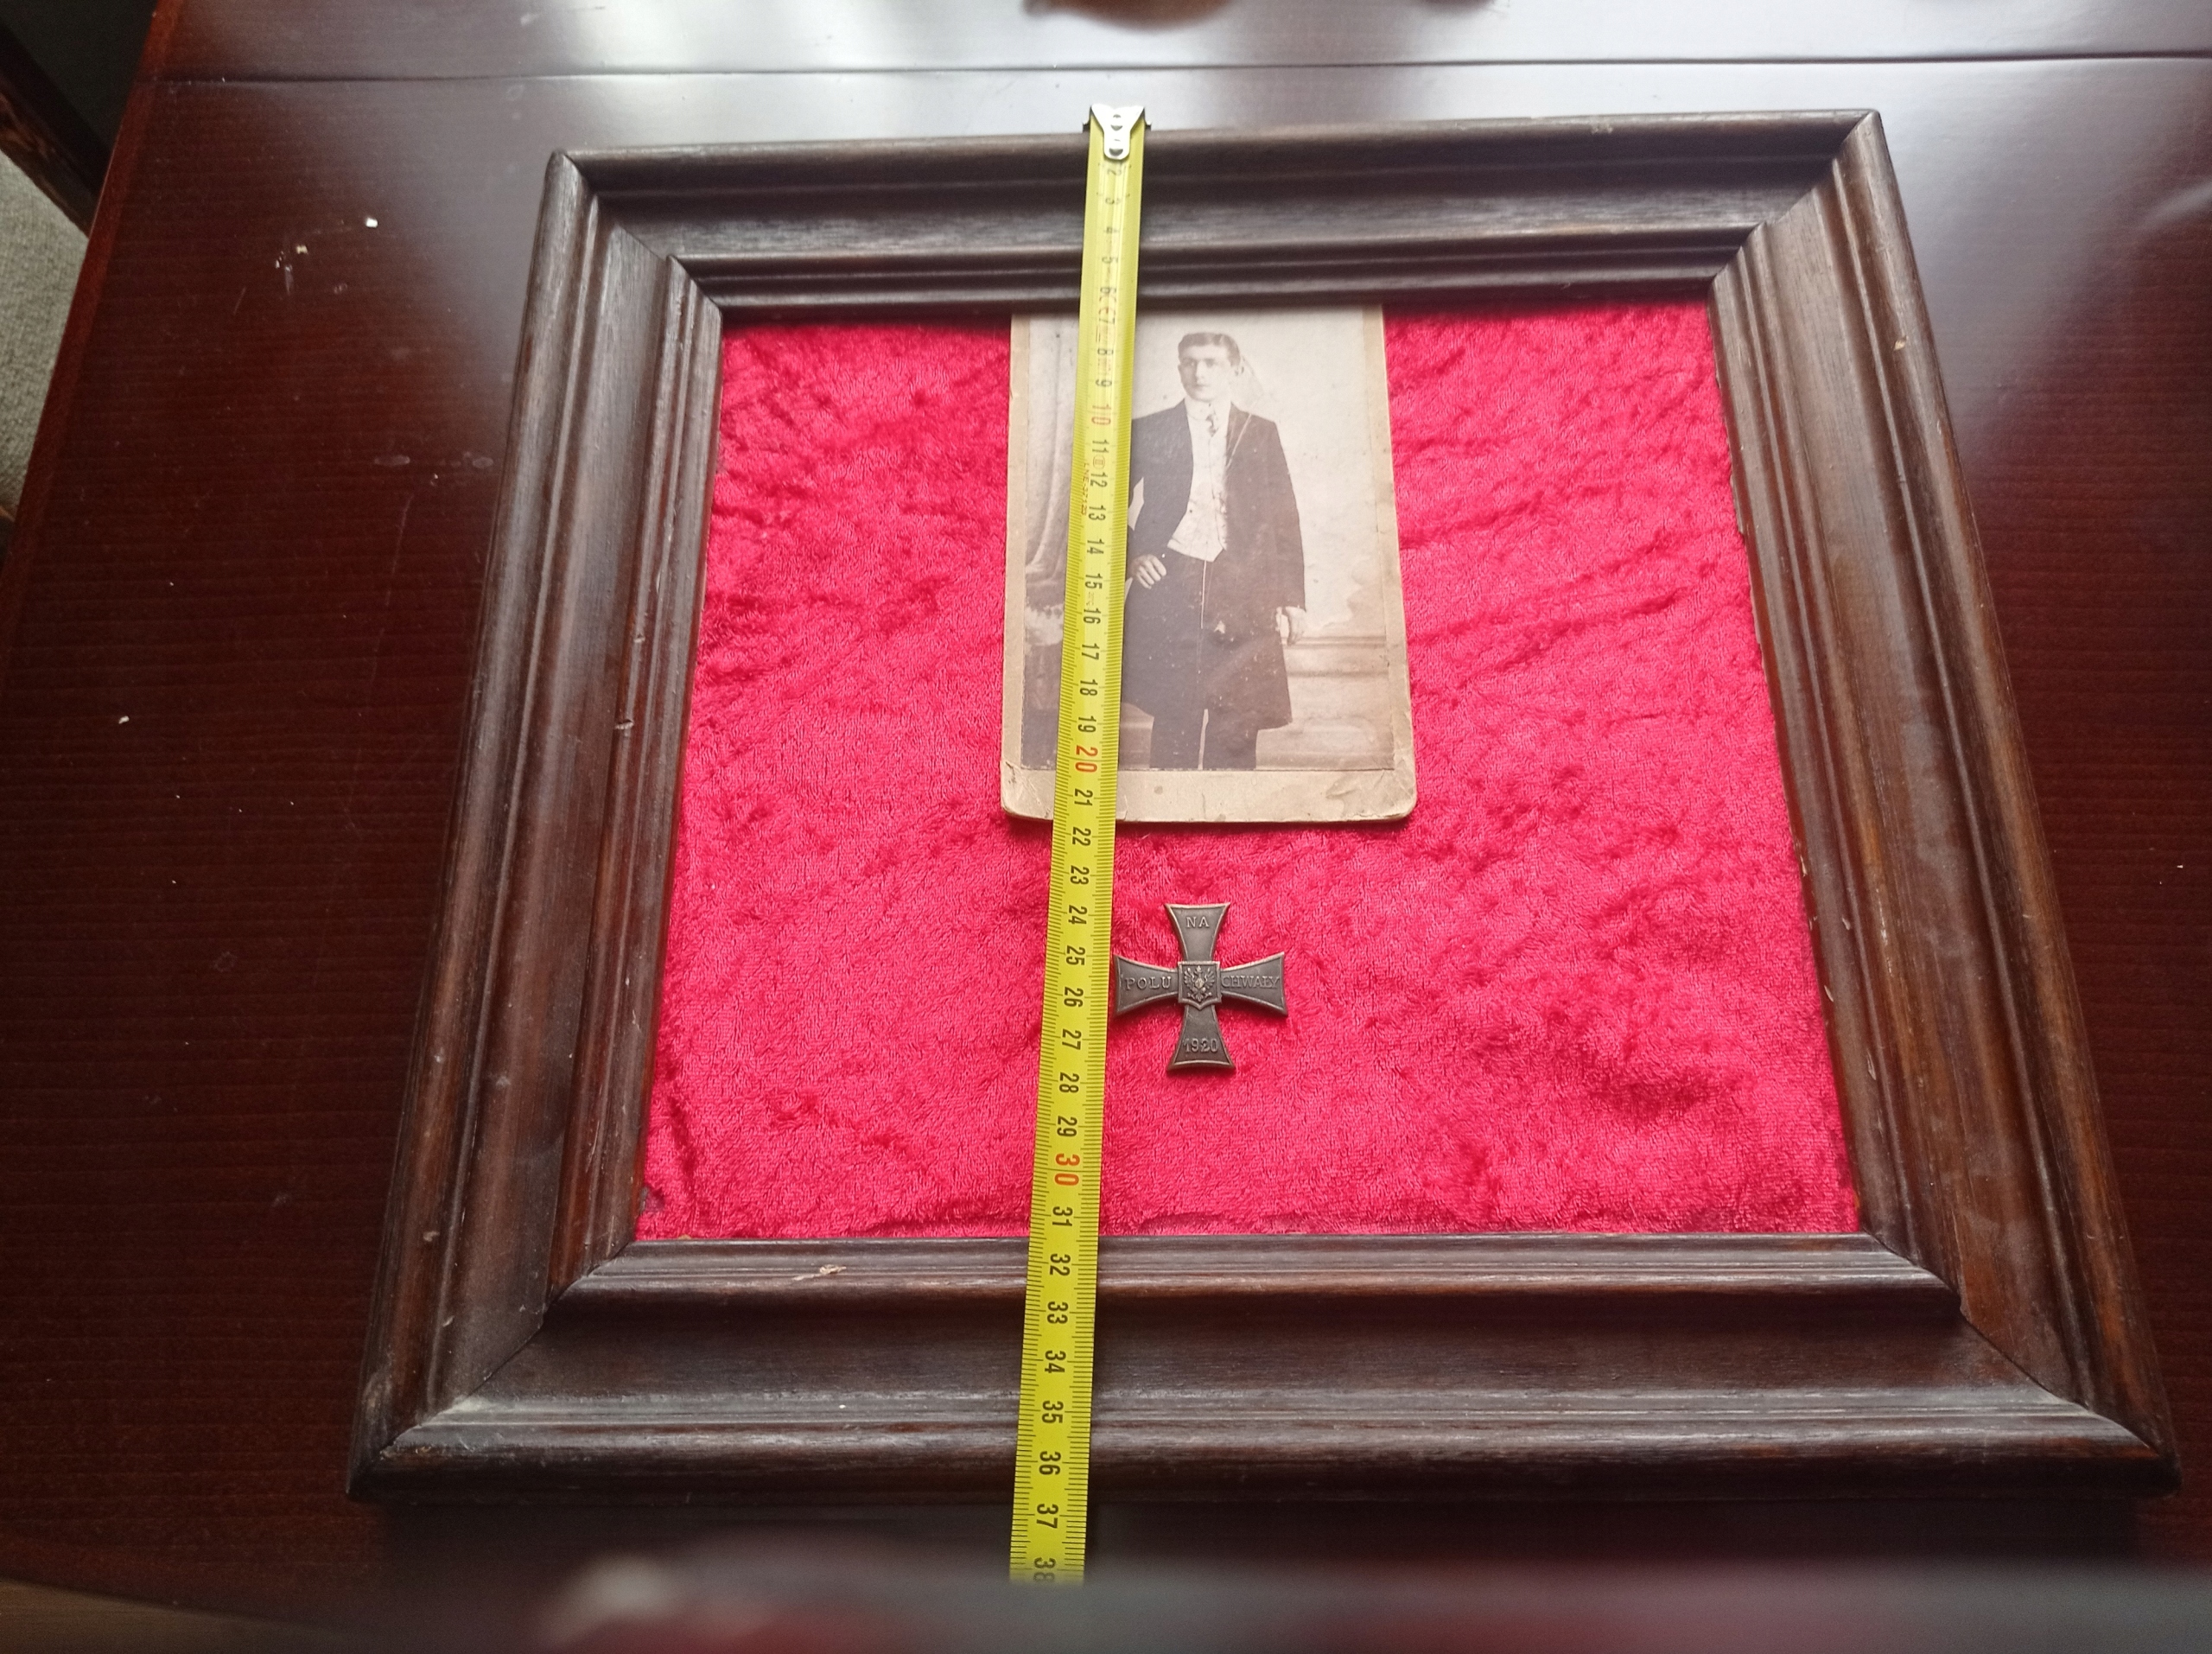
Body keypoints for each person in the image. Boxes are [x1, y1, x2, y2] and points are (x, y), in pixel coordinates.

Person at [1121, 332, 1307, 770]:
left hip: (1244, 589)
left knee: (1237, 722)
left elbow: (1283, 517)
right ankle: (1171, 809)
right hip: (1173, 583)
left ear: (1235, 369)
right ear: (1178, 368)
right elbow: (1101, 501)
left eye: (1211, 363)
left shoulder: (1260, 432)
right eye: (1189, 362)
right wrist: (1133, 554)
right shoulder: (1149, 429)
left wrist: (1292, 599)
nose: (1199, 373)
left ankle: (1231, 811)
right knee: (1176, 716)